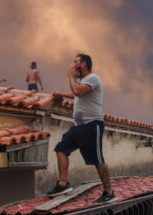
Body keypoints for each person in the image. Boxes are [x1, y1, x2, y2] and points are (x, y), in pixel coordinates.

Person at [48, 54, 117, 203]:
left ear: (83, 64)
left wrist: (70, 77)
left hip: (92, 125)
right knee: (61, 149)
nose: (72, 65)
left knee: (97, 160)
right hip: (78, 127)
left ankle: (109, 192)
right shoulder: (82, 82)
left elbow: (78, 91)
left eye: (75, 62)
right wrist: (61, 95)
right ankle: (63, 184)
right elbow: (76, 94)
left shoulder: (93, 78)